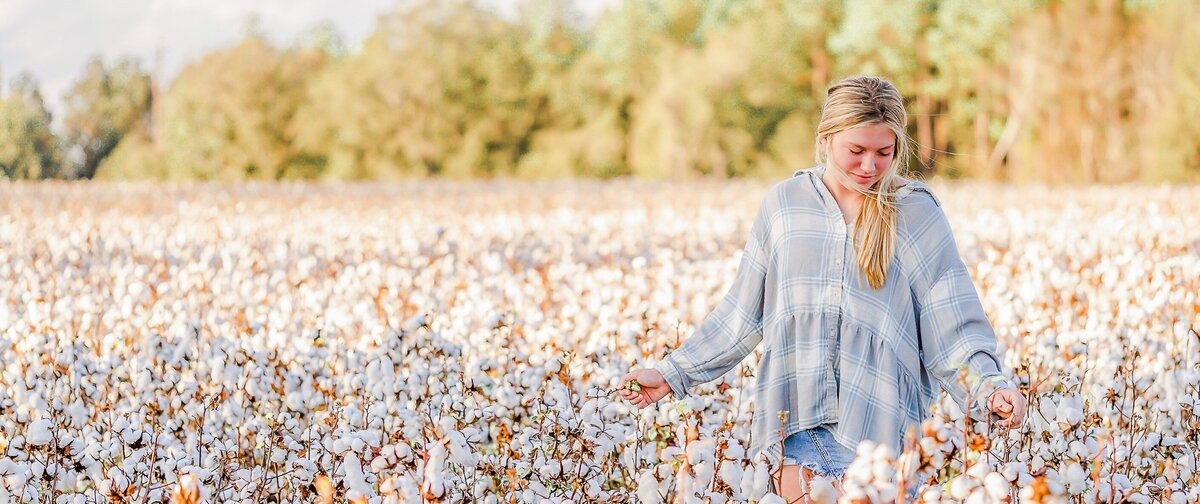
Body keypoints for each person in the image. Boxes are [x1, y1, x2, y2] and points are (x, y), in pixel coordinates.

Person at [617, 75, 1027, 501]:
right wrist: (671, 373)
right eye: (857, 151)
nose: (869, 166)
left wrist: (988, 386)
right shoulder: (785, 205)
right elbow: (743, 313)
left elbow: (952, 320)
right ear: (826, 139)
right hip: (796, 426)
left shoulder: (916, 213)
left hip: (883, 432)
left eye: (883, 153)